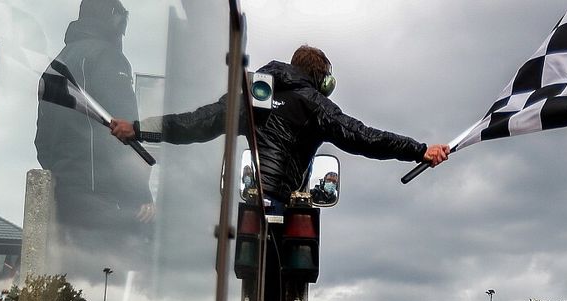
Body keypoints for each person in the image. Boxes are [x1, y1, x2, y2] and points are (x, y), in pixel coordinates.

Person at [109, 45, 449, 209]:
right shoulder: (313, 101)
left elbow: (197, 122)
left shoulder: (253, 94)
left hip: (249, 202)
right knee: (297, 258)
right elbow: (362, 136)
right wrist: (419, 149)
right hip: (280, 201)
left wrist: (138, 129)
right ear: (323, 79)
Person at [35, 0, 154, 252]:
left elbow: (42, 144)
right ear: (113, 21)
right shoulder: (109, 58)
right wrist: (141, 195)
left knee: (78, 283)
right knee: (118, 280)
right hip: (103, 200)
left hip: (66, 199)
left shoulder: (54, 67)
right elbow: (124, 132)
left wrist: (65, 178)